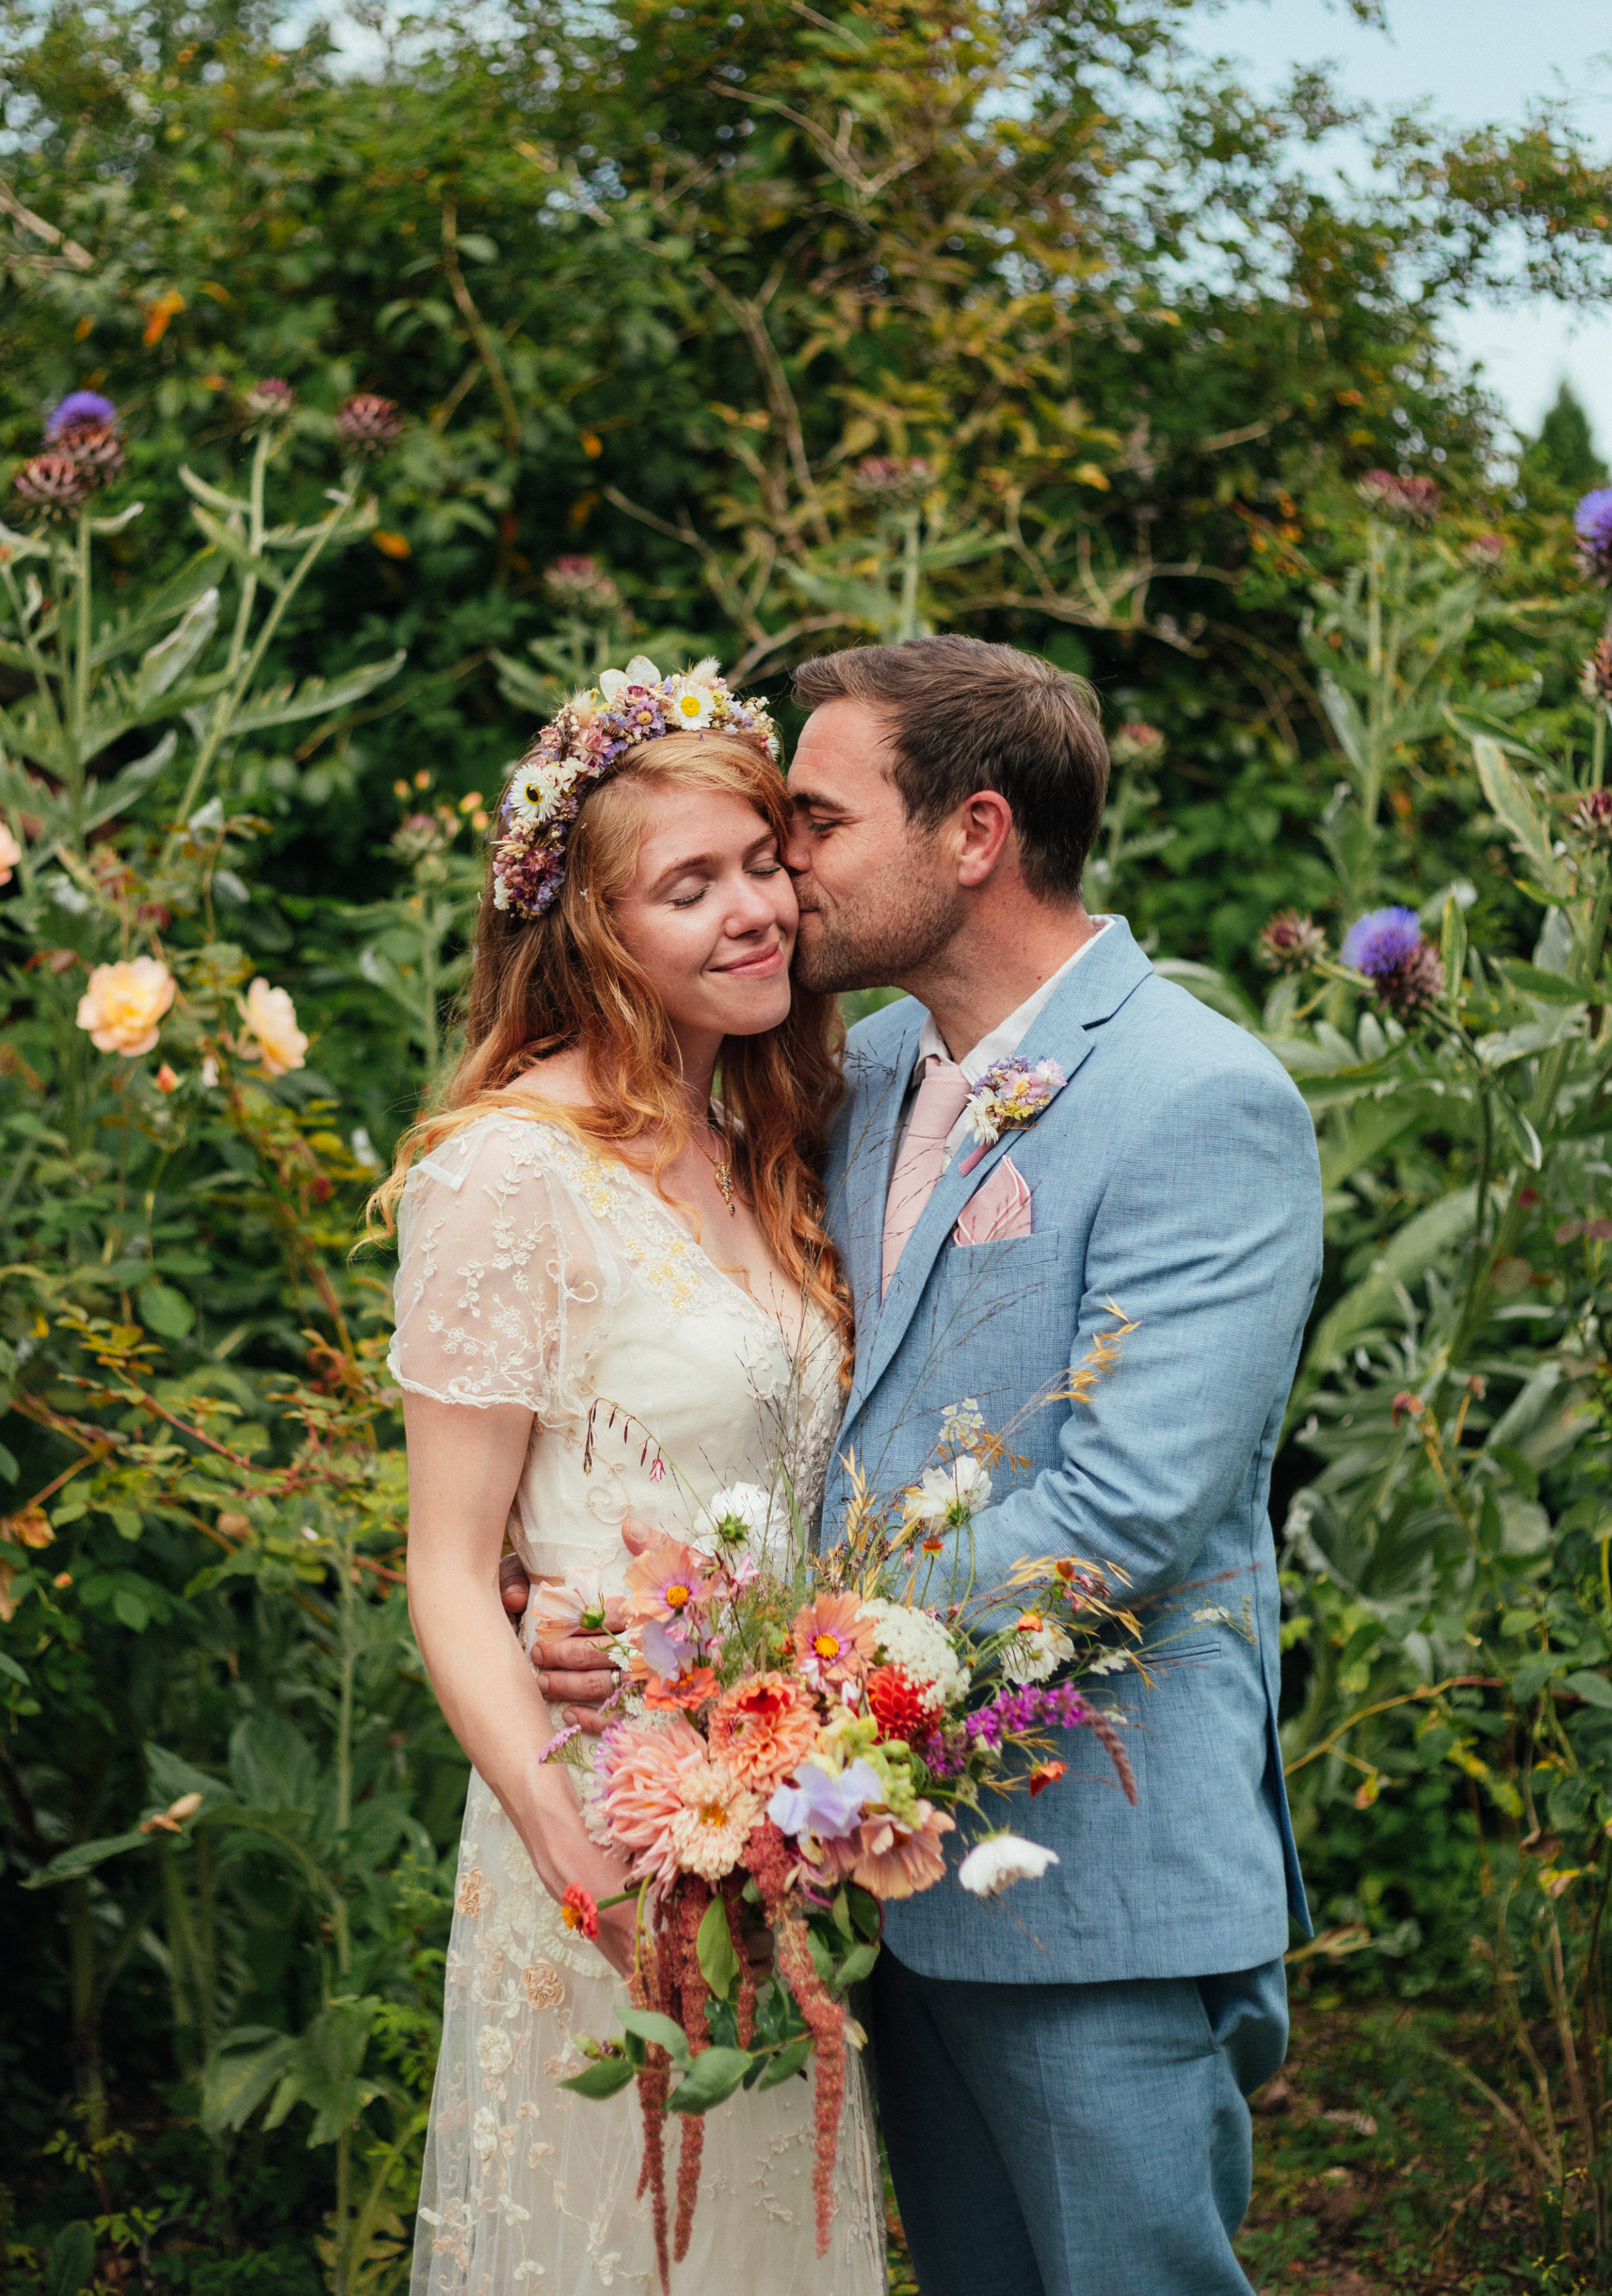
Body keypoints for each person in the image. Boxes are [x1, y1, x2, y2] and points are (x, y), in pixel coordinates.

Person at [537, 634, 1323, 2296]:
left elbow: (1124, 1514)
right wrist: (625, 1621)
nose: (782, 866)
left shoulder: (1203, 1098)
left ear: (972, 835)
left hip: (1094, 1884)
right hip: (888, 1871)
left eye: (812, 824)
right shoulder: (866, 1070)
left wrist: (764, 1668)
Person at [382, 662, 885, 2296]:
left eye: (760, 862)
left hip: (787, 1813)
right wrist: (558, 1826)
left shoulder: (769, 1140)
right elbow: (453, 1570)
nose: (756, 913)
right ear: (593, 929)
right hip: (599, 1819)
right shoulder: (508, 1172)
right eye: (691, 886)